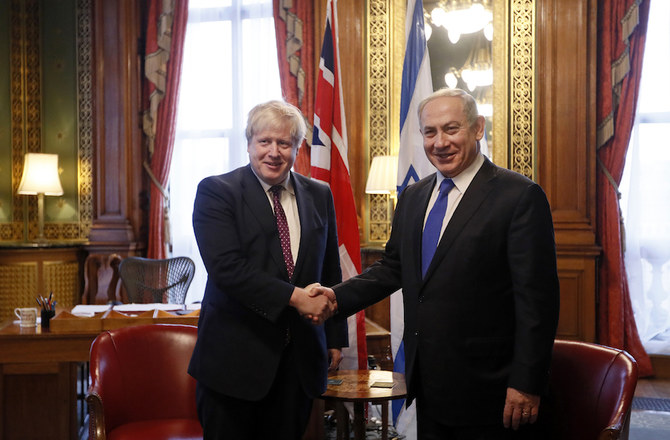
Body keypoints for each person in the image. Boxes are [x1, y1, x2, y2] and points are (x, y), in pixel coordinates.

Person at [324, 88, 560, 439]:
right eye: (430, 132)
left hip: (492, 389)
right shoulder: (414, 196)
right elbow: (392, 268)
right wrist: (334, 298)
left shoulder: (519, 196)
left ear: (478, 128)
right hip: (430, 384)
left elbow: (537, 302)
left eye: (451, 129)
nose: (440, 143)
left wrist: (526, 383)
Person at [188, 100, 345, 440]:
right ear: (249, 144)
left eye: (284, 143)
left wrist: (334, 337)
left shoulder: (319, 194)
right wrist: (296, 297)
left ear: (297, 148)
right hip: (234, 365)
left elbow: (329, 266)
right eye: (265, 141)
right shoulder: (217, 192)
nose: (274, 152)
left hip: (298, 363)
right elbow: (227, 269)